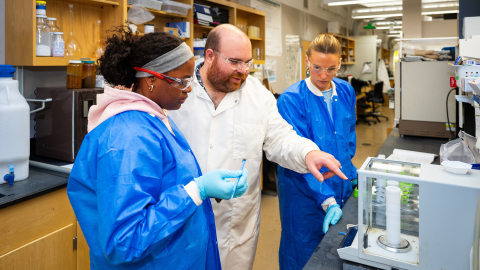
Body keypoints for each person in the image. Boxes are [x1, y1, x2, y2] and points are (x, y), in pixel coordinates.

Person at [66, 28, 249, 270]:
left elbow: (162, 184)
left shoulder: (154, 117)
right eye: (181, 81)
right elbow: (124, 240)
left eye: (190, 80)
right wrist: (197, 190)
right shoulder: (128, 137)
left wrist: (203, 187)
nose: (189, 89)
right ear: (150, 79)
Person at [168, 24, 347, 270]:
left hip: (236, 223)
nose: (243, 71)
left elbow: (280, 138)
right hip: (184, 219)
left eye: (248, 63)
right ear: (210, 56)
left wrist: (308, 152)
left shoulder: (257, 95)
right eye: (235, 62)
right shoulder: (176, 93)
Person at [276, 34, 357, 270]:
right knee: (302, 253)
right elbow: (298, 156)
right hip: (302, 192)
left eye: (332, 68)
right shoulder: (292, 100)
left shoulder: (345, 91)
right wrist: (327, 199)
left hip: (340, 185)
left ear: (340, 63)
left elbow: (348, 141)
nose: (323, 76)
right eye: (317, 67)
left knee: (335, 255)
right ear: (307, 61)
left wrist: (351, 178)